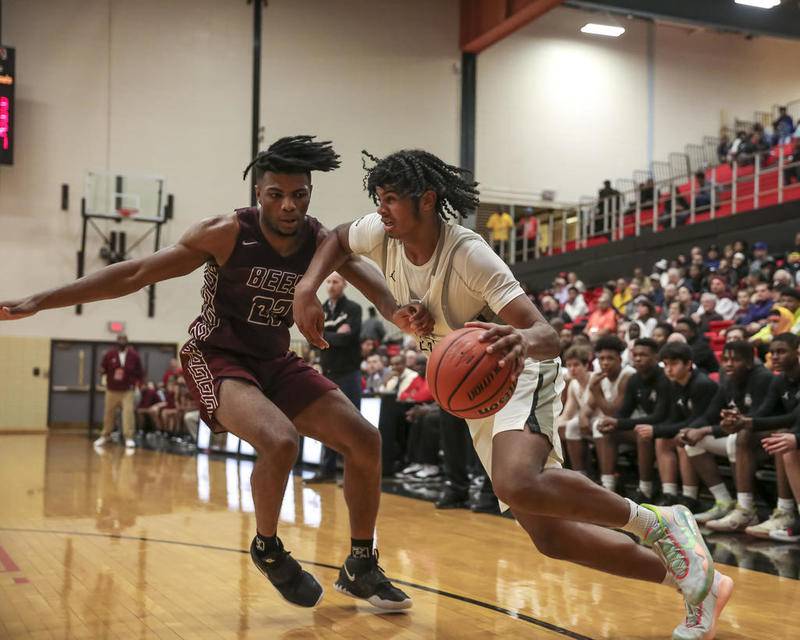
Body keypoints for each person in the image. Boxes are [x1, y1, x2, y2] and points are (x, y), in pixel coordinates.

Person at [293, 148, 728, 638]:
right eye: (379, 199)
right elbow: (335, 240)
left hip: (521, 368)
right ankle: (698, 584)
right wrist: (328, 294)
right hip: (480, 394)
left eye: (392, 199)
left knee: (516, 482)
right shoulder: (383, 232)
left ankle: (659, 522)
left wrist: (518, 338)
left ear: (428, 200)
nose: (382, 209)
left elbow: (547, 334)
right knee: (550, 536)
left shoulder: (469, 254)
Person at [0, 136, 421, 610]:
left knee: (365, 439)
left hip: (276, 360)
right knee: (280, 440)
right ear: (256, 194)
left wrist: (396, 310)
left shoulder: (320, 241)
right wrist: (40, 300)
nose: (288, 205)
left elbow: (369, 280)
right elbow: (135, 272)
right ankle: (267, 547)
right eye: (275, 195)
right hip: (217, 357)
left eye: (299, 195)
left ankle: (361, 565)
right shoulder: (225, 233)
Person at [679, 341, 773, 529]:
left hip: (765, 440)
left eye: (735, 360)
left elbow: (757, 418)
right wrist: (689, 429)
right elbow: (710, 414)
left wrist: (706, 430)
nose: (729, 364)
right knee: (693, 442)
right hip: (739, 437)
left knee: (737, 438)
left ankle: (746, 510)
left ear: (749, 361)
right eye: (725, 359)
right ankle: (724, 502)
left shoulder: (763, 377)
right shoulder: (728, 379)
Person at [721, 333, 800, 539]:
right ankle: (745, 509)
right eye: (772, 352)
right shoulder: (779, 380)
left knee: (783, 438)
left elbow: (793, 416)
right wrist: (740, 420)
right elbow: (763, 412)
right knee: (747, 434)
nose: (774, 356)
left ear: (797, 351)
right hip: (792, 434)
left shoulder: (765, 378)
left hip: (793, 435)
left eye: (781, 352)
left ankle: (787, 511)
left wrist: (748, 421)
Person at [596, 338, 672, 502]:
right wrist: (612, 421)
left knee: (642, 433)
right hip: (651, 427)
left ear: (656, 357)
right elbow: (624, 411)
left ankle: (645, 490)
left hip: (667, 427)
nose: (638, 358)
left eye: (643, 355)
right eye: (635, 354)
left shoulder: (664, 378)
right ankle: (608, 487)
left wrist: (618, 422)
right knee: (609, 433)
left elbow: (659, 416)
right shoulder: (635, 379)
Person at [306, 272, 363, 484]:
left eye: (336, 281)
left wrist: (323, 335)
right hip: (327, 374)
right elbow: (312, 339)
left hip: (349, 373)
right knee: (327, 423)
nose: (331, 285)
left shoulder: (353, 309)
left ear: (345, 283)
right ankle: (327, 470)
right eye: (328, 281)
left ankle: (351, 473)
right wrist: (334, 333)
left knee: (351, 423)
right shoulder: (319, 309)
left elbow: (349, 338)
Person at [95, 334, 144, 450]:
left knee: (128, 413)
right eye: (120, 339)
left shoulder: (134, 355)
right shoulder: (109, 354)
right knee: (108, 413)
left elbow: (140, 372)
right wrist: (101, 371)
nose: (122, 341)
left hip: (127, 390)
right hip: (112, 389)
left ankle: (128, 438)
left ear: (127, 341)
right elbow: (103, 369)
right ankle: (105, 435)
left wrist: (138, 385)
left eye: (124, 339)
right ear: (116, 342)